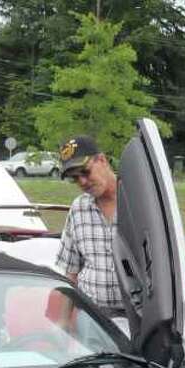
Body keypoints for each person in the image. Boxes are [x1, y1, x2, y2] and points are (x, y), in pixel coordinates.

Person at [55, 135, 124, 319]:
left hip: (139, 319)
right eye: (75, 178)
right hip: (93, 320)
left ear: (102, 160)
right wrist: (63, 322)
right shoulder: (78, 209)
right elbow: (71, 272)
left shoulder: (139, 199)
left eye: (85, 172)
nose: (82, 182)